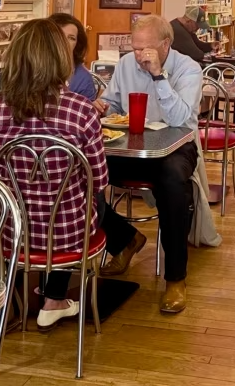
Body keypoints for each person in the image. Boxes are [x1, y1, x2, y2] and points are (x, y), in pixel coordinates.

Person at [0, 19, 109, 330]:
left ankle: (21, 297)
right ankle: (55, 296)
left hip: (13, 230)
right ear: (61, 59)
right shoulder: (81, 111)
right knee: (91, 199)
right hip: (67, 232)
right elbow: (99, 180)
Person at [92, 15, 201, 314]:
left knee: (173, 184)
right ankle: (125, 240)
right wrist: (103, 106)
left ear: (165, 45)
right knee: (82, 173)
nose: (138, 56)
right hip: (130, 146)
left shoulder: (188, 69)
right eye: (135, 48)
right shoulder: (126, 65)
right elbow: (114, 103)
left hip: (176, 148)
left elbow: (181, 121)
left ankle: (176, 278)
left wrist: (158, 76)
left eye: (145, 49)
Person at [48, 13, 96, 100]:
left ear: (77, 45)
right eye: (60, 36)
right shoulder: (32, 67)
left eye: (71, 38)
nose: (64, 42)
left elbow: (86, 111)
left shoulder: (83, 79)